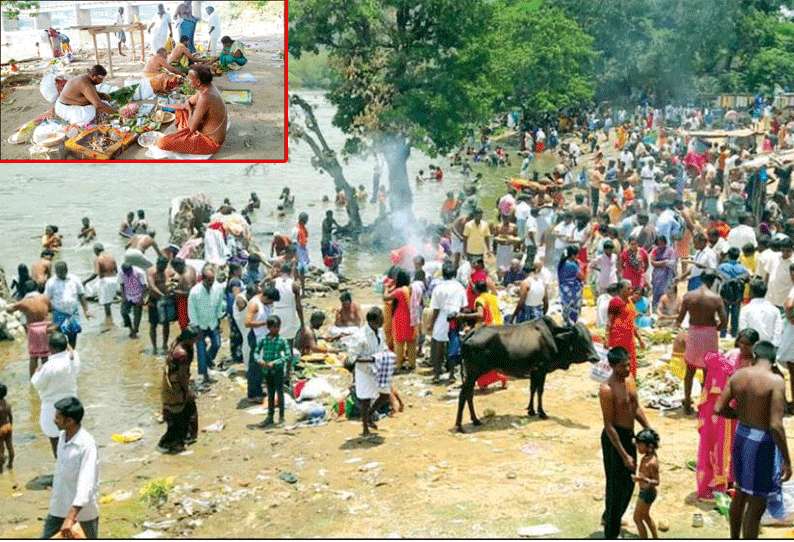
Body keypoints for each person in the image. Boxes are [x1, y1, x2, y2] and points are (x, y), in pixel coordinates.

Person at [715, 341, 792, 539]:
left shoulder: (738, 375)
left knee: (740, 493)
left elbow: (718, 408)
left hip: (741, 436)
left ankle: (734, 537)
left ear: (755, 357)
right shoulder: (776, 381)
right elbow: (775, 425)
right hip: (761, 443)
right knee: (757, 503)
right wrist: (787, 460)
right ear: (774, 362)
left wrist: (740, 416)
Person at [599, 346, 652, 539]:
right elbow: (609, 426)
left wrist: (647, 427)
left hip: (630, 435)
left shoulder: (630, 380)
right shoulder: (606, 389)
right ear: (612, 366)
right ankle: (611, 533)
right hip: (614, 441)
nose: (627, 368)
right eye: (623, 366)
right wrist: (624, 455)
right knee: (615, 488)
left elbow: (635, 407)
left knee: (629, 485)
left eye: (628, 364)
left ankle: (610, 516)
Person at [41, 397, 99, 539]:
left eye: (58, 418)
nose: (54, 421)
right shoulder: (62, 437)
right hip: (58, 508)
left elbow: (87, 483)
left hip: (82, 514)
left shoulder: (87, 445)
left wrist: (71, 517)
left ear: (69, 421)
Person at [677, 270, 727, 415]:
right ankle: (704, 404)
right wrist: (715, 328)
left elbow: (680, 319)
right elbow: (724, 321)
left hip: (693, 333)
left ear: (701, 279)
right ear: (713, 281)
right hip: (709, 334)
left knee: (690, 371)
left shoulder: (688, 296)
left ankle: (687, 403)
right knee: (708, 372)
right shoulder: (716, 298)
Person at [155, 65, 227, 156]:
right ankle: (183, 134)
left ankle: (183, 136)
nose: (188, 81)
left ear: (198, 82)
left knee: (162, 142)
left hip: (210, 142)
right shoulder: (206, 88)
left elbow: (192, 128)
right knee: (180, 110)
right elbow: (185, 105)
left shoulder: (205, 97)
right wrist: (165, 105)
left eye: (190, 79)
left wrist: (190, 110)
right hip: (201, 127)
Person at [30, 332, 80, 458]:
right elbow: (71, 351)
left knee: (56, 443)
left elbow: (36, 384)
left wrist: (37, 372)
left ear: (50, 348)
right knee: (72, 440)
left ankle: (62, 470)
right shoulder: (73, 359)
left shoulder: (48, 367)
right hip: (72, 406)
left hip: (52, 409)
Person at [157, 326, 199, 454]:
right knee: (180, 414)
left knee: (184, 410)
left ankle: (185, 438)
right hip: (176, 386)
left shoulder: (176, 344)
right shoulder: (182, 354)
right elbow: (182, 375)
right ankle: (172, 442)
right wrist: (186, 391)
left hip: (170, 384)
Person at [350, 307, 388, 437]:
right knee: (365, 400)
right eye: (381, 318)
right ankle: (365, 428)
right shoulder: (360, 336)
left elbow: (384, 347)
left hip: (378, 369)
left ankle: (370, 414)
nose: (383, 320)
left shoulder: (380, 332)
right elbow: (352, 357)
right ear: (374, 320)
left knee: (385, 395)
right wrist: (371, 359)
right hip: (364, 370)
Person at [429, 262, 467, 383]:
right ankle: (451, 374)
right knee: (453, 347)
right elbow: (463, 306)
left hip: (441, 318)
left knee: (439, 347)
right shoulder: (460, 287)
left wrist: (432, 323)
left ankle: (436, 374)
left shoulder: (438, 288)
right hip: (455, 318)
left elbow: (435, 309)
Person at [188, 264, 225, 386]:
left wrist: (219, 319)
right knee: (201, 349)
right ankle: (204, 375)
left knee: (217, 344)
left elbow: (219, 304)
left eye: (212, 280)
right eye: (208, 280)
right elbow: (191, 311)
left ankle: (208, 361)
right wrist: (196, 327)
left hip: (213, 322)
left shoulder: (218, 288)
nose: (211, 282)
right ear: (202, 278)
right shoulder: (195, 292)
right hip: (200, 324)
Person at [252, 316, 291, 428]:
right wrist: (260, 361)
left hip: (277, 370)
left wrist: (276, 362)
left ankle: (281, 417)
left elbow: (287, 355)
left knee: (280, 393)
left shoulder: (282, 340)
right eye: (274, 327)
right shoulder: (264, 340)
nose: (277, 329)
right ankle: (270, 417)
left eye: (278, 327)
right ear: (269, 328)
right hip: (267, 371)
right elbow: (255, 352)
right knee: (270, 394)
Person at [45, 261, 91, 348]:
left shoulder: (74, 279)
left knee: (73, 335)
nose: (60, 273)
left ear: (66, 270)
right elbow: (46, 299)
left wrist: (86, 310)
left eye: (62, 271)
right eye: (58, 272)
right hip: (59, 312)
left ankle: (72, 353)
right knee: (59, 337)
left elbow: (81, 295)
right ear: (55, 271)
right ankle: (62, 355)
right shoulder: (51, 282)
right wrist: (48, 316)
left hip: (73, 312)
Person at [5, 289, 51, 376]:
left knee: (34, 357)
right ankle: (47, 376)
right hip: (45, 328)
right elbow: (50, 309)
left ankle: (33, 379)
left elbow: (10, 309)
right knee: (45, 356)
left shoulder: (24, 302)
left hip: (33, 329)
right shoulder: (45, 298)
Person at [244, 286, 278, 402]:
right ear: (266, 297)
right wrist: (265, 323)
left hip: (263, 337)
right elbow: (247, 323)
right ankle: (253, 395)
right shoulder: (254, 304)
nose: (272, 303)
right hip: (256, 336)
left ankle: (257, 390)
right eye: (271, 301)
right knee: (255, 366)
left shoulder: (265, 302)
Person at [272, 263, 304, 387]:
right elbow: (299, 305)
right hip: (289, 313)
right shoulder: (294, 284)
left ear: (280, 271)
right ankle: (287, 374)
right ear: (291, 271)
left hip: (277, 312)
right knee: (289, 346)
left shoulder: (274, 282)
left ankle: (276, 371)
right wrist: (302, 321)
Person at [606, 280, 646, 378]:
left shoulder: (629, 302)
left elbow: (632, 323)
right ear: (620, 290)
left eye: (631, 288)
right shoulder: (615, 301)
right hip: (618, 339)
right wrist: (606, 338)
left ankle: (629, 385)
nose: (631, 291)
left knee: (631, 364)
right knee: (620, 364)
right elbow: (609, 321)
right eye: (628, 289)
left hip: (629, 339)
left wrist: (640, 338)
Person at [383, 269, 417, 373]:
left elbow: (386, 298)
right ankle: (412, 364)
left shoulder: (399, 291)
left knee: (399, 342)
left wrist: (386, 288)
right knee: (411, 342)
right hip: (411, 317)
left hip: (400, 318)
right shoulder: (411, 289)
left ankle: (399, 364)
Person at [632, 428, 660, 539]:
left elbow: (657, 482)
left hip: (647, 493)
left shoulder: (652, 462)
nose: (638, 447)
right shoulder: (648, 456)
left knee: (637, 518)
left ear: (649, 446)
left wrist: (642, 479)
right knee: (645, 517)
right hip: (646, 492)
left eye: (640, 445)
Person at [739, 278, 782, 346]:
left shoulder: (746, 309)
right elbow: (778, 332)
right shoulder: (775, 310)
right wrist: (773, 347)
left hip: (750, 349)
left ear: (751, 291)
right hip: (769, 349)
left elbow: (743, 331)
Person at [718, 247, 750, 338]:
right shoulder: (743, 269)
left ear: (728, 255)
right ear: (738, 256)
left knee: (724, 314)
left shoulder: (722, 267)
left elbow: (718, 277)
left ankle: (723, 334)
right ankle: (734, 334)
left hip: (725, 295)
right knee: (735, 315)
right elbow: (747, 278)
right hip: (737, 296)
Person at [147, 256, 176, 355]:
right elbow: (151, 286)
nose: (163, 269)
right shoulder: (151, 272)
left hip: (164, 300)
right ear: (157, 263)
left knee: (166, 323)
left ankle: (164, 344)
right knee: (153, 324)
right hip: (154, 300)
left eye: (165, 267)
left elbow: (169, 282)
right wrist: (161, 294)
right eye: (161, 266)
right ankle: (154, 347)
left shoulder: (165, 272)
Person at [118, 263, 147, 339]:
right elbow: (122, 285)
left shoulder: (140, 273)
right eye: (125, 272)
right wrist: (123, 297)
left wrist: (142, 299)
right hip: (128, 296)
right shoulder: (121, 273)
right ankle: (130, 328)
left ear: (131, 269)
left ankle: (135, 331)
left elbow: (145, 286)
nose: (127, 274)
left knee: (137, 316)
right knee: (123, 312)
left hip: (138, 296)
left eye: (128, 272)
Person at [558, 245, 585, 325]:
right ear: (573, 255)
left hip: (564, 290)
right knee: (574, 309)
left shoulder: (562, 263)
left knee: (566, 308)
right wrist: (580, 266)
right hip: (573, 291)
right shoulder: (573, 265)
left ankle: (566, 324)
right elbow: (582, 276)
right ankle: (572, 325)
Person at [649, 236, 676, 311]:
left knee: (666, 292)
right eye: (658, 242)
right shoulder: (655, 250)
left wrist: (660, 263)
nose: (660, 243)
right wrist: (663, 262)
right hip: (657, 276)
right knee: (656, 293)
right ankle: (655, 309)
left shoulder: (671, 251)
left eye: (661, 242)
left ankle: (666, 310)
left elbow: (671, 262)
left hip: (667, 275)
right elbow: (652, 262)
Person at [171, 258, 196, 331]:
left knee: (184, 324)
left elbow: (189, 292)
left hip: (185, 302)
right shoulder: (190, 268)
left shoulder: (186, 277)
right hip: (192, 300)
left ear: (178, 266)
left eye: (175, 268)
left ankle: (187, 339)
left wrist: (174, 291)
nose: (175, 270)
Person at [292, 212, 310, 291]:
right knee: (297, 271)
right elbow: (294, 243)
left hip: (302, 251)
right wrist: (296, 256)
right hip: (298, 252)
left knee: (302, 271)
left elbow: (304, 241)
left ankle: (302, 289)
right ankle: (298, 289)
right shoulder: (296, 230)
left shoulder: (303, 229)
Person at [0, 383, 13, 473]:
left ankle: (0, 469)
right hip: (8, 426)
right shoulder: (7, 404)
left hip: (1, 429)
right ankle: (10, 464)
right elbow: (11, 417)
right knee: (10, 447)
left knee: (0, 450)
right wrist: (11, 425)